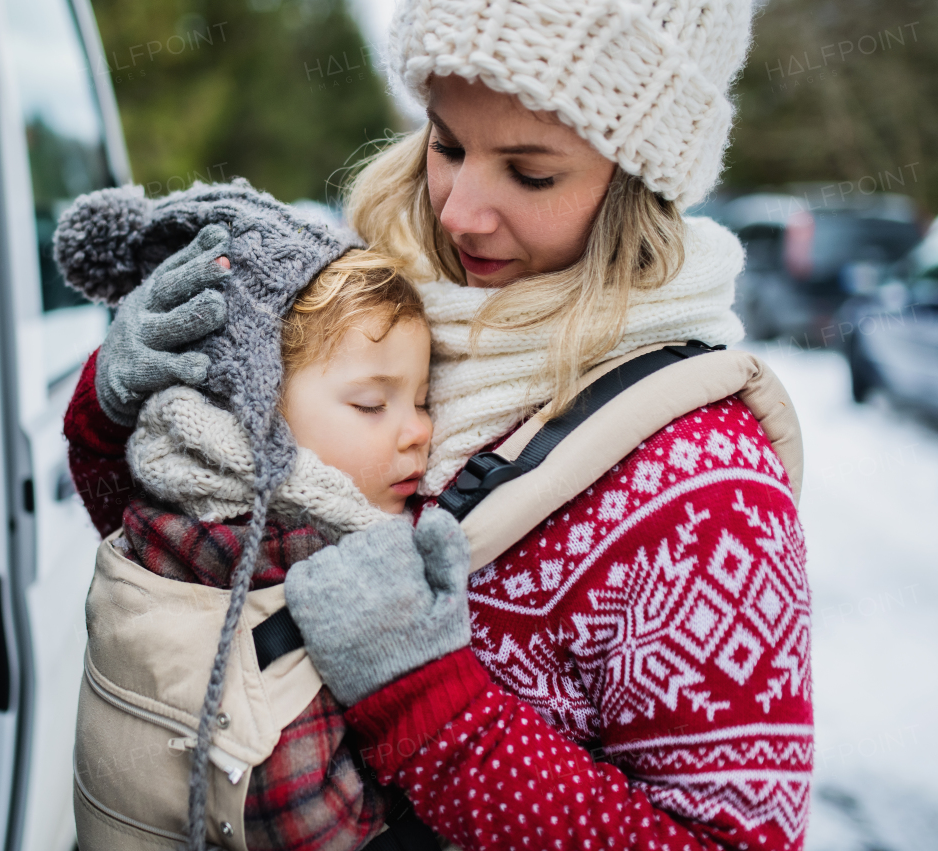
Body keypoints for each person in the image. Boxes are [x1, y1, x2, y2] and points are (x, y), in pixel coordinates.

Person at [64, 1, 813, 849]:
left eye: (530, 173)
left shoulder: (707, 490)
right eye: (448, 144)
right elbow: (192, 575)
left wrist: (428, 703)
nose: (460, 212)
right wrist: (112, 405)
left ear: (639, 185)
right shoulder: (372, 302)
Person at [58, 180, 448, 851]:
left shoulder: (175, 497)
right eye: (371, 403)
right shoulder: (278, 556)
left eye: (422, 398)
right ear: (258, 411)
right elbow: (313, 821)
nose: (419, 431)